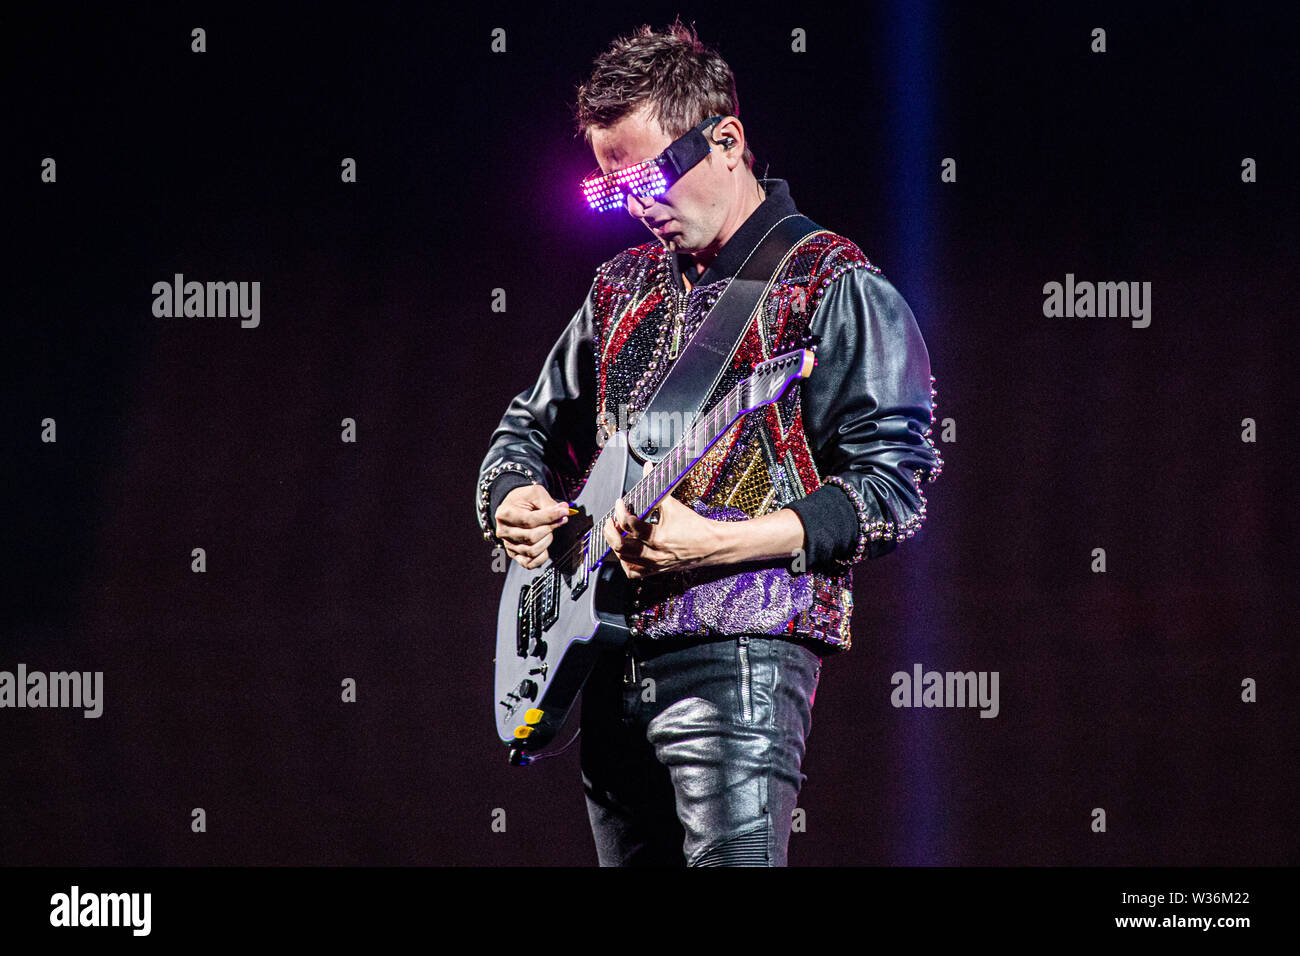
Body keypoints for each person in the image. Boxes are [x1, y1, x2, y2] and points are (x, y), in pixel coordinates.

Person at [475, 20, 943, 866]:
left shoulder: (833, 284)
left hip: (741, 660)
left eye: (653, 175)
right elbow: (527, 429)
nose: (640, 205)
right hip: (604, 657)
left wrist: (724, 543)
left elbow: (893, 489)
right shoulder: (617, 288)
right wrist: (513, 498)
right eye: (614, 189)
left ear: (726, 140)